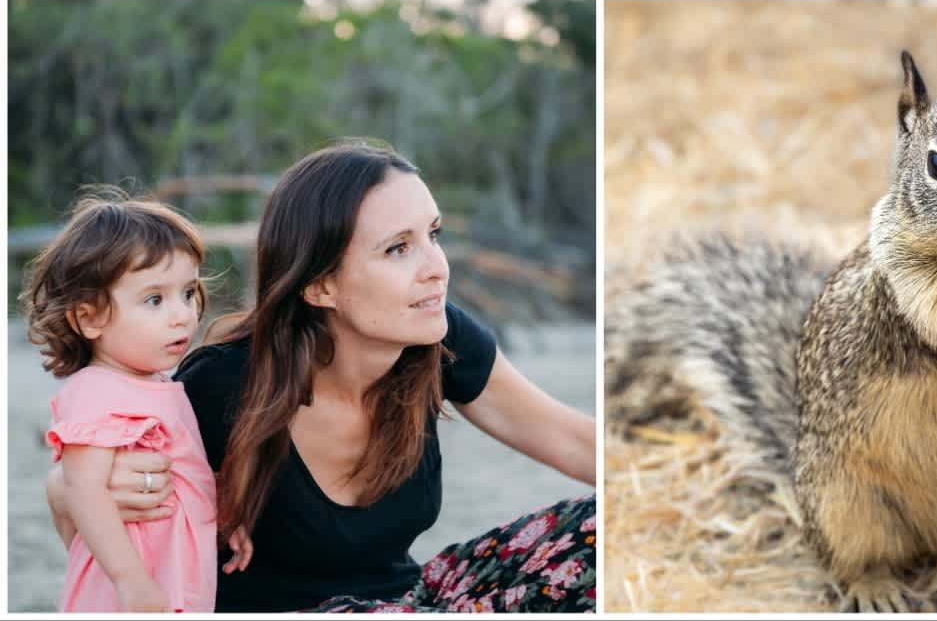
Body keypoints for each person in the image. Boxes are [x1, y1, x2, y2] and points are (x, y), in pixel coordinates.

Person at [45, 140, 597, 612]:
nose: (437, 266)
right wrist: (77, 489)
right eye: (399, 248)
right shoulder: (224, 385)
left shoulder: (436, 338)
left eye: (435, 234)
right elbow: (85, 487)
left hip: (406, 601)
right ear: (319, 286)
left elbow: (572, 439)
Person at [24, 193, 251, 612]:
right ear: (89, 318)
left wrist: (222, 516)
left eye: (188, 293)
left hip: (173, 577)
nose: (182, 315)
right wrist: (131, 582)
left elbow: (185, 473)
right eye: (154, 300)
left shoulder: (158, 385)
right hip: (126, 592)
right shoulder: (96, 392)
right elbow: (84, 491)